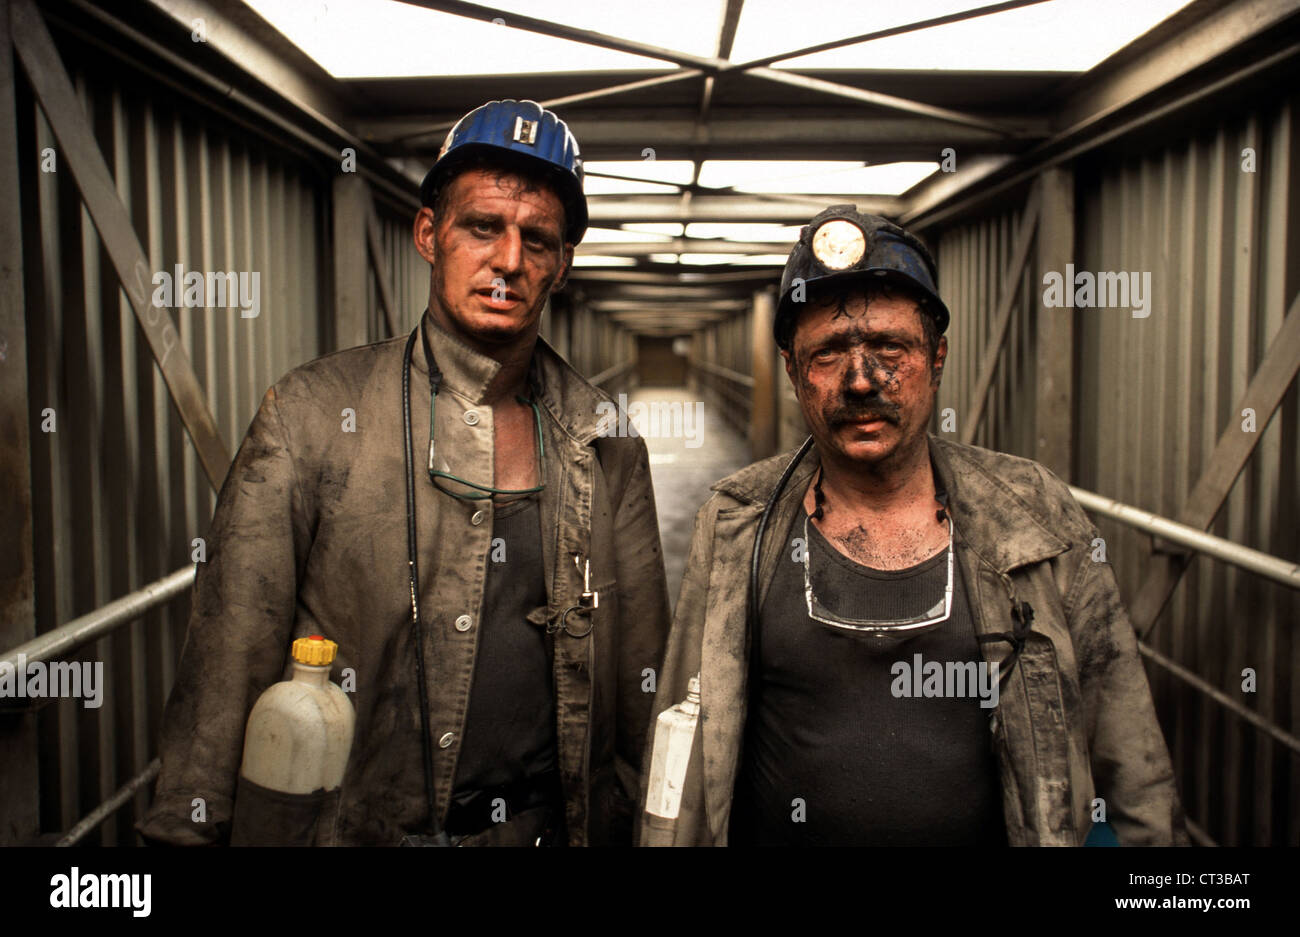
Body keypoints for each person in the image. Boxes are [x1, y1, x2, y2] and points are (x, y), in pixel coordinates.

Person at [138, 100, 670, 846]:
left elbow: (646, 694)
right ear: (429, 235)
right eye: (482, 226)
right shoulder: (312, 416)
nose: (509, 260)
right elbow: (226, 672)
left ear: (562, 264)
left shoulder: (605, 442)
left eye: (538, 238)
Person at [639, 206, 1186, 846]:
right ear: (792, 372)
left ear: (936, 357)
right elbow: (683, 737)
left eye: (890, 348)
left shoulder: (1032, 516)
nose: (861, 380)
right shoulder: (737, 524)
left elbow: (1127, 746)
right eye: (828, 354)